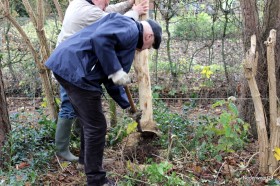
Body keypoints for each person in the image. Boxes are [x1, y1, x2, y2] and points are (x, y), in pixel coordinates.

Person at [46, 12, 162, 186]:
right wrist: (116, 70)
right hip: (77, 71)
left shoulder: (127, 36)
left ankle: (87, 162)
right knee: (97, 126)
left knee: (90, 123)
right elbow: (101, 39)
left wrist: (127, 106)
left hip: (71, 67)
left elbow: (112, 81)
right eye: (148, 46)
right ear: (149, 35)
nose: (143, 49)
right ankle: (97, 180)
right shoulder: (130, 28)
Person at [55, 0, 148, 162]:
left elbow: (111, 10)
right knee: (73, 110)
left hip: (71, 64)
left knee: (85, 116)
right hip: (72, 68)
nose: (108, 3)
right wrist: (134, 12)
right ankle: (63, 152)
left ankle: (85, 157)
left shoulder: (81, 3)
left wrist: (130, 4)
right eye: (105, 1)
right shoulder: (90, 13)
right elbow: (115, 22)